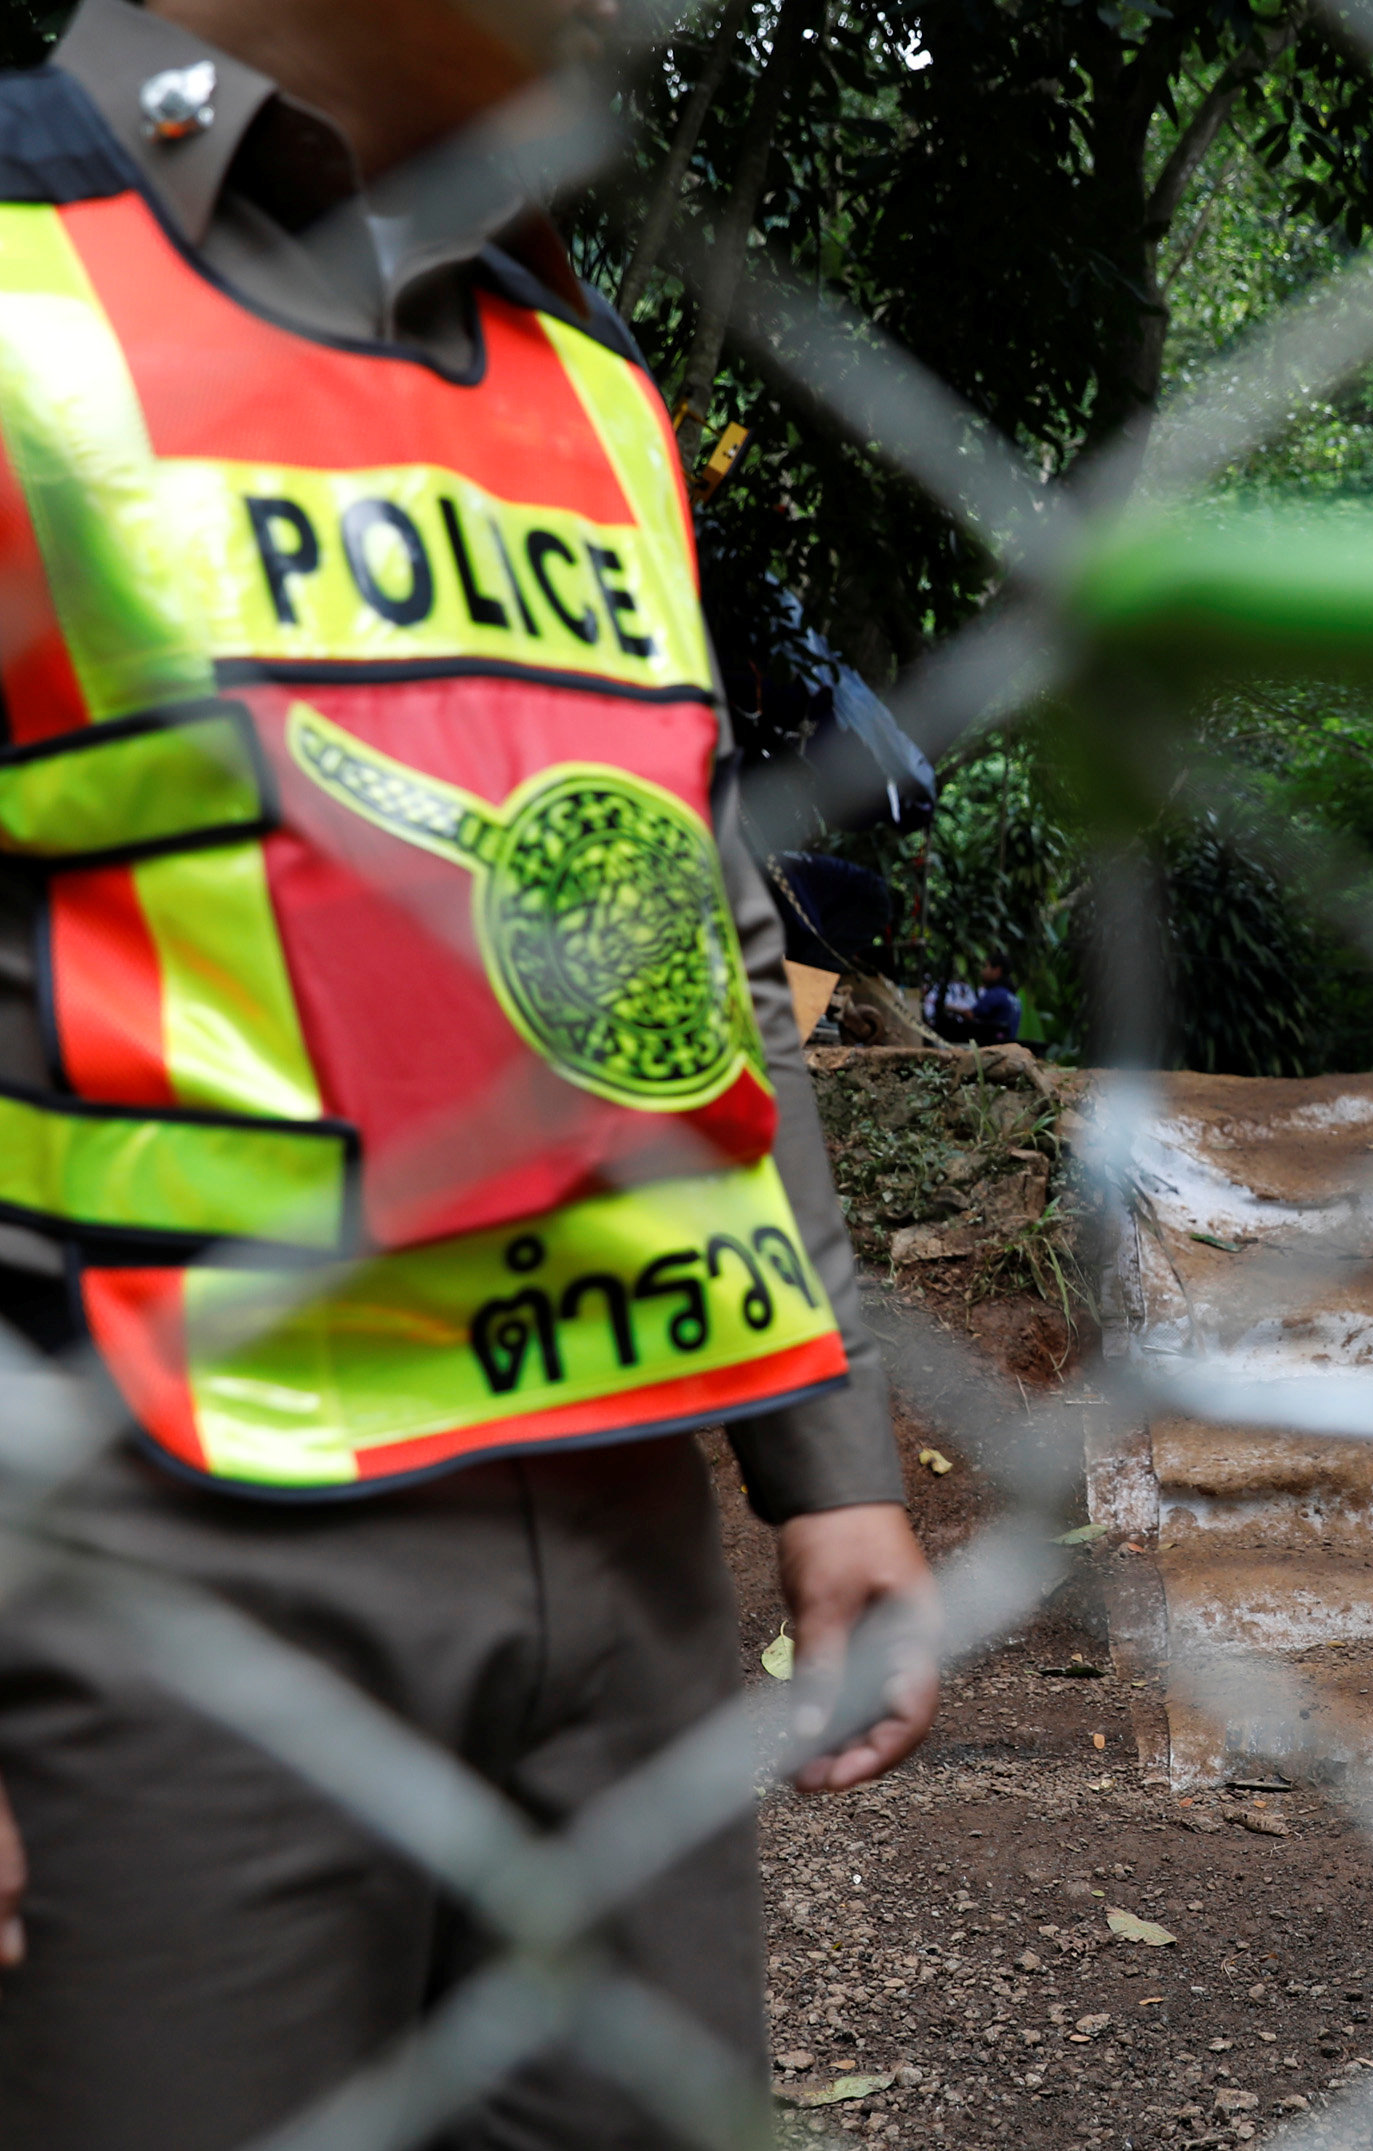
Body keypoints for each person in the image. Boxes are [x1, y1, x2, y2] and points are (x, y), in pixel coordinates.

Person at [0, 0, 938, 2140]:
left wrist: (831, 1457)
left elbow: (699, 939)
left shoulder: (582, 375)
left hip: (619, 1545)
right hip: (147, 1548)